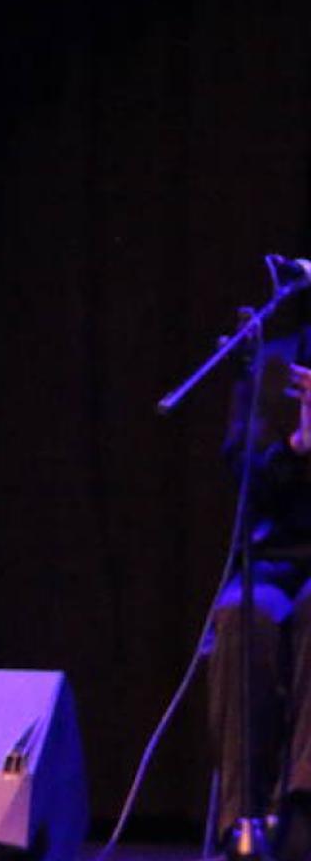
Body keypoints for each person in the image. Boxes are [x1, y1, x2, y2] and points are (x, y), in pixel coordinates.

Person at [208, 322, 311, 858]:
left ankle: (301, 808)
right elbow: (243, 471)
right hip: (276, 559)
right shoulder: (272, 366)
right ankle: (243, 820)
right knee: (243, 616)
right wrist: (298, 444)